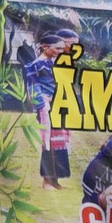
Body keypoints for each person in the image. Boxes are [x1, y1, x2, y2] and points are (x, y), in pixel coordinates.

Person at [25, 34, 71, 189]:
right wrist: (44, 102)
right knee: (48, 144)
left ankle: (55, 180)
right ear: (45, 47)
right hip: (46, 108)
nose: (60, 51)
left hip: (59, 107)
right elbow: (33, 88)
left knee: (60, 144)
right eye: (57, 48)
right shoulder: (34, 66)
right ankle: (47, 181)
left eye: (61, 48)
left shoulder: (56, 64)